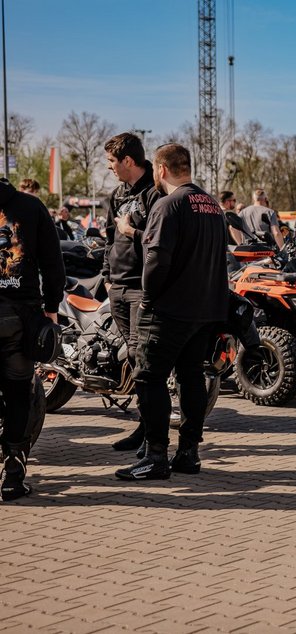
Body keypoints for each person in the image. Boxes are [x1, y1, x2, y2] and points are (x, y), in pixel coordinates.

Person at [115, 143, 229, 481]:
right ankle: (189, 452)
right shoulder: (213, 205)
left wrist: (149, 296)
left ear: (161, 170)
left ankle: (155, 456)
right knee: (191, 377)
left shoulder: (167, 205)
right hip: (206, 309)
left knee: (148, 377)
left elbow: (156, 259)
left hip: (169, 310)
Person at [0, 178, 65, 500]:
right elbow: (54, 264)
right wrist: (52, 307)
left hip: (19, 315)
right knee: (18, 393)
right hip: (19, 316)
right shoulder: (31, 206)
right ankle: (13, 472)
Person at [102, 132, 163, 453]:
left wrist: (132, 231)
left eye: (112, 161)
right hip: (118, 288)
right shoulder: (116, 194)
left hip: (143, 290)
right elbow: (110, 239)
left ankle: (151, 435)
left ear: (128, 161)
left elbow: (160, 243)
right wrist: (107, 277)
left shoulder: (156, 192)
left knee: (145, 362)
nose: (109, 167)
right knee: (134, 358)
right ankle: (145, 427)